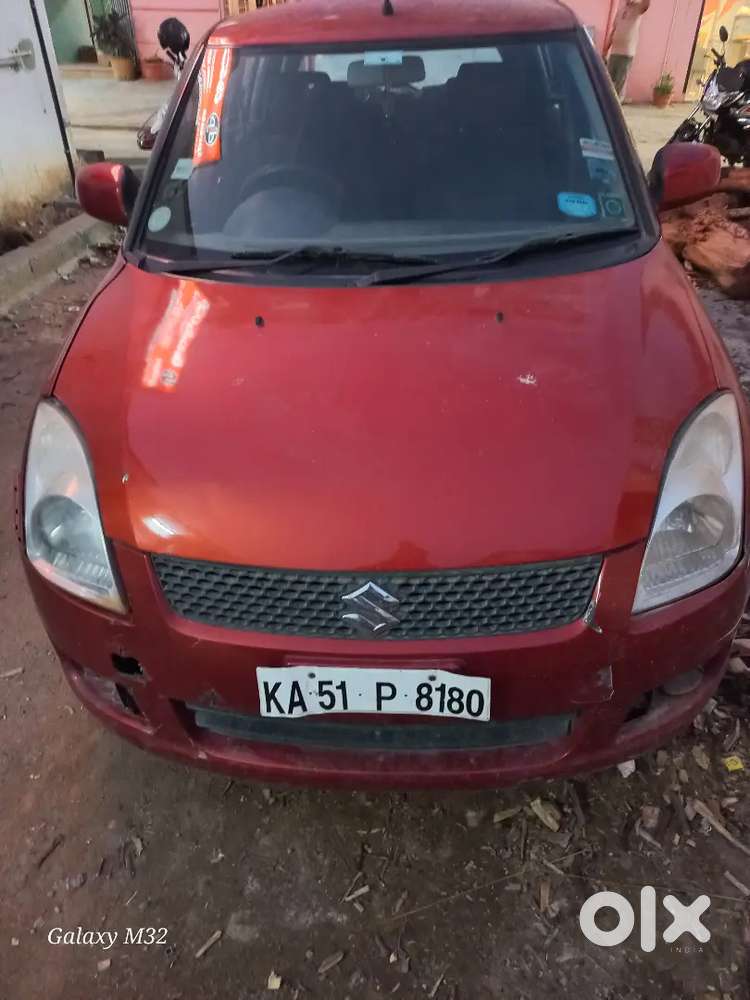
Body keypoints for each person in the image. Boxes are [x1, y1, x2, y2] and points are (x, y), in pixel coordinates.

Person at [606, 0, 651, 98]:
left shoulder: (637, 9)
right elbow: (614, 30)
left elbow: (646, 6)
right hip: (614, 52)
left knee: (620, 82)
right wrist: (606, 49)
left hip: (626, 53)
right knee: (608, 81)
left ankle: (617, 107)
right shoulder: (621, 10)